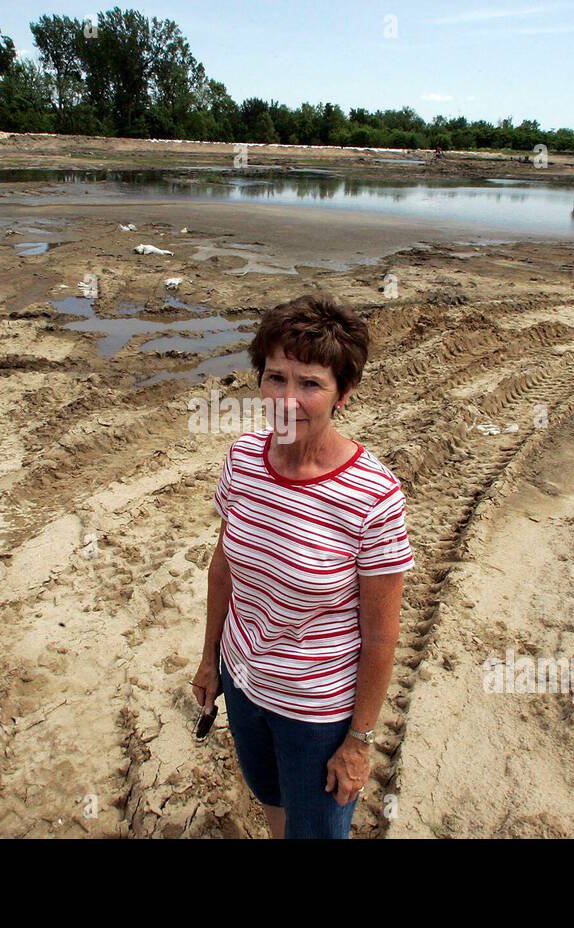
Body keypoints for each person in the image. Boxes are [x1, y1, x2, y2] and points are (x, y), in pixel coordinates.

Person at [191, 294, 415, 839]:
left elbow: (381, 634)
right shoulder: (243, 458)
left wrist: (358, 741)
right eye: (275, 378)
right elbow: (224, 567)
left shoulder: (373, 495)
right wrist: (209, 661)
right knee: (272, 802)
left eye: (310, 383)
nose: (286, 399)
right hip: (244, 686)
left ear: (344, 393)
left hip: (316, 713)